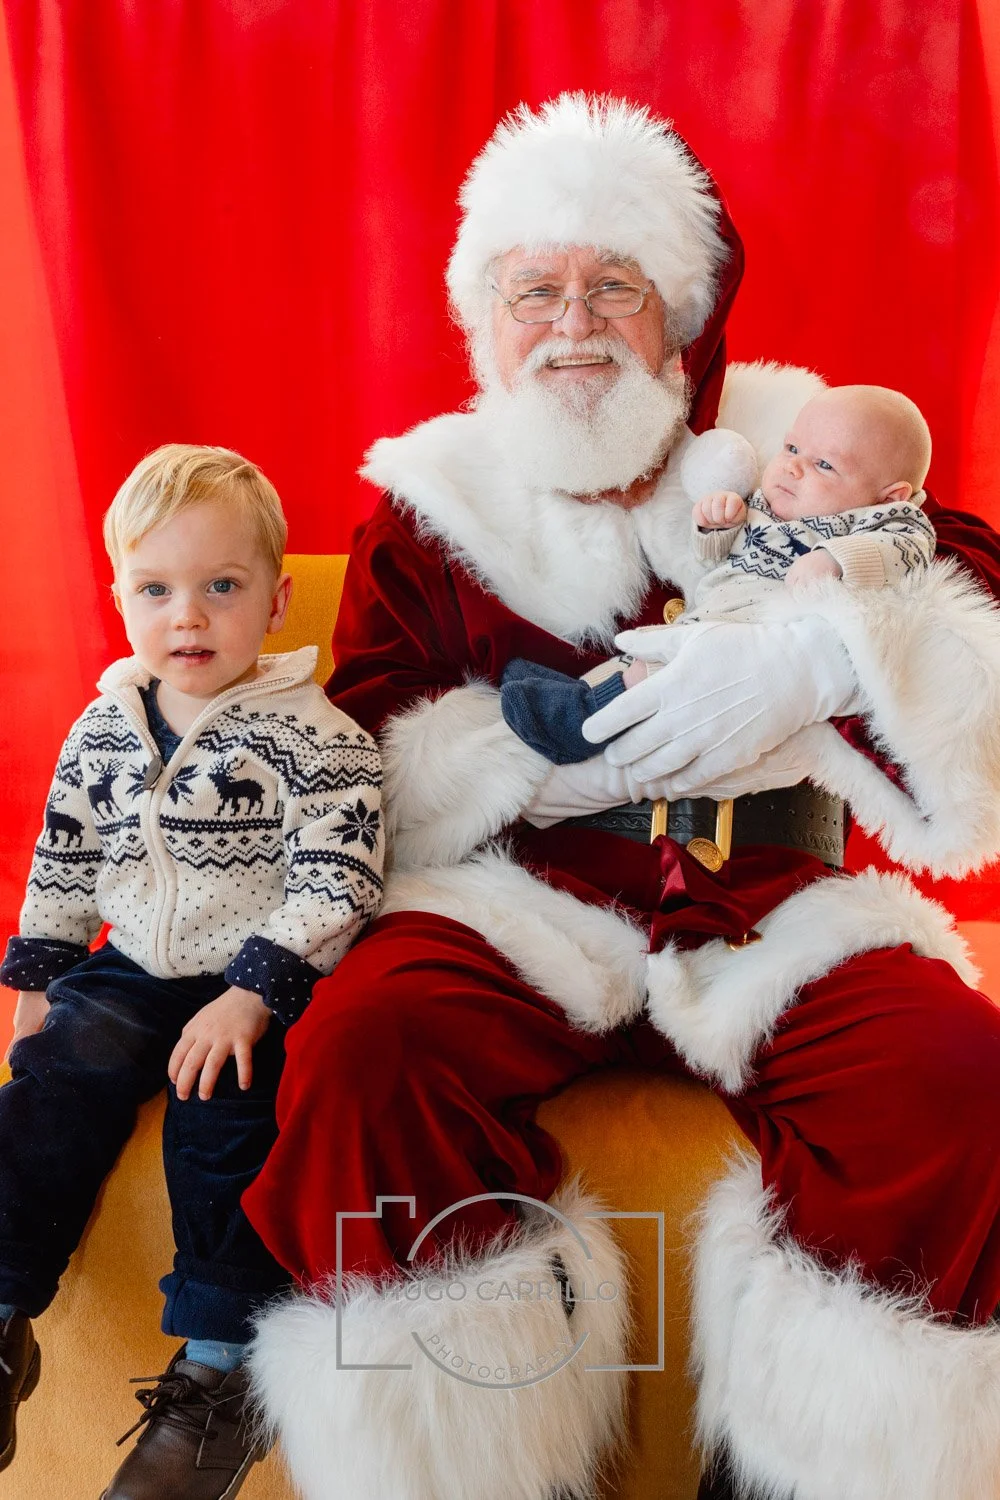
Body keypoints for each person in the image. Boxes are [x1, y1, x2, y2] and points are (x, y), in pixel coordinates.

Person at [244, 95, 1000, 1500]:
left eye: (615, 287)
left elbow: (964, 587)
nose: (574, 323)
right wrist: (537, 755)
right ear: (489, 316)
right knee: (363, 1056)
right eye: (536, 289)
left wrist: (808, 657)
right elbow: (357, 748)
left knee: (966, 1083)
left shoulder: (805, 441)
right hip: (517, 896)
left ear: (683, 316)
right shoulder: (431, 499)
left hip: (776, 901)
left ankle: (835, 1468)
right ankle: (467, 1475)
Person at [0, 446, 384, 1499]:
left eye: (223, 587)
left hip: (255, 984)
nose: (189, 617)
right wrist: (37, 981)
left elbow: (339, 875)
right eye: (157, 589)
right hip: (130, 968)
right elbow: (65, 852)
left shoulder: (320, 739)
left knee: (227, 1119)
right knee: (52, 1079)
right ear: (118, 596)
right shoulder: (104, 727)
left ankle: (219, 1374)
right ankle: (1, 1311)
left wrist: (254, 991)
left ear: (275, 601)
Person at [500, 382, 937, 766]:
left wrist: (836, 560)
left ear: (890, 496)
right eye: (791, 448)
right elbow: (713, 559)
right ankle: (564, 700)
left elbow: (906, 550)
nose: (793, 467)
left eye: (825, 465)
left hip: (757, 642)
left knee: (654, 678)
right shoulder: (768, 505)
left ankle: (577, 728)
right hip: (709, 617)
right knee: (638, 661)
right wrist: (716, 526)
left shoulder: (887, 520)